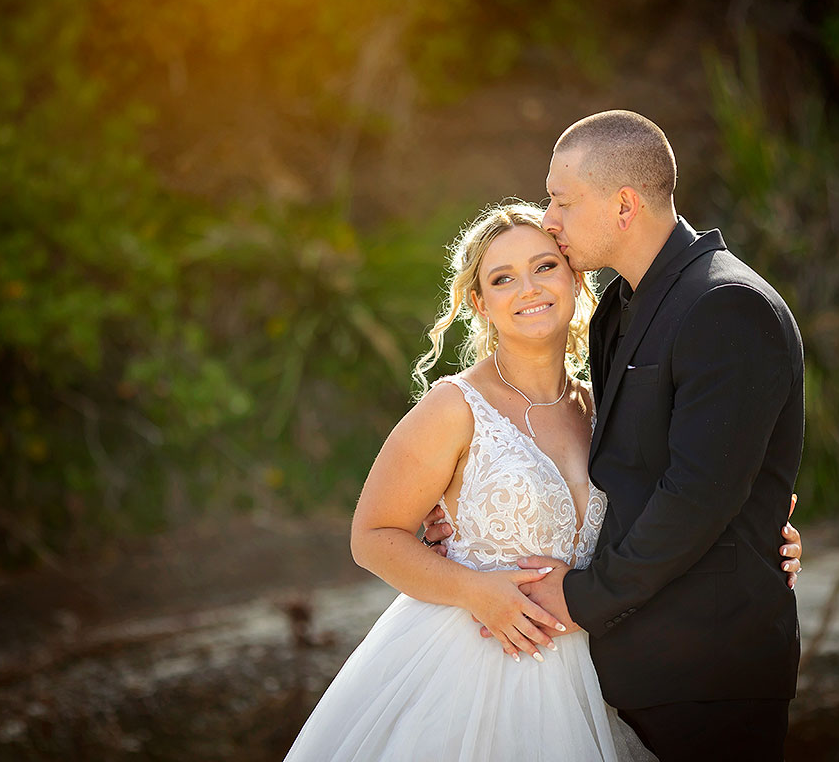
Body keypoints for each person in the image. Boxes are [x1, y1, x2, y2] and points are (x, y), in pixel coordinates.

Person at [284, 200, 802, 761]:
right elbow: (373, 535)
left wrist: (764, 536)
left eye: (544, 266)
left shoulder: (602, 408)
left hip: (590, 672)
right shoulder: (455, 406)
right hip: (471, 667)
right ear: (480, 304)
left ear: (575, 279)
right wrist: (476, 590)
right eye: (502, 279)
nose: (528, 288)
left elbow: (681, 498)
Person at [432, 110, 805, 761]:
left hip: (709, 672)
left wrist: (577, 599)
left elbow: (697, 496)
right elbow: (615, 468)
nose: (550, 217)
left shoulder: (726, 306)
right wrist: (465, 516)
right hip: (631, 663)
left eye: (562, 200)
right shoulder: (620, 308)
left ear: (625, 205)